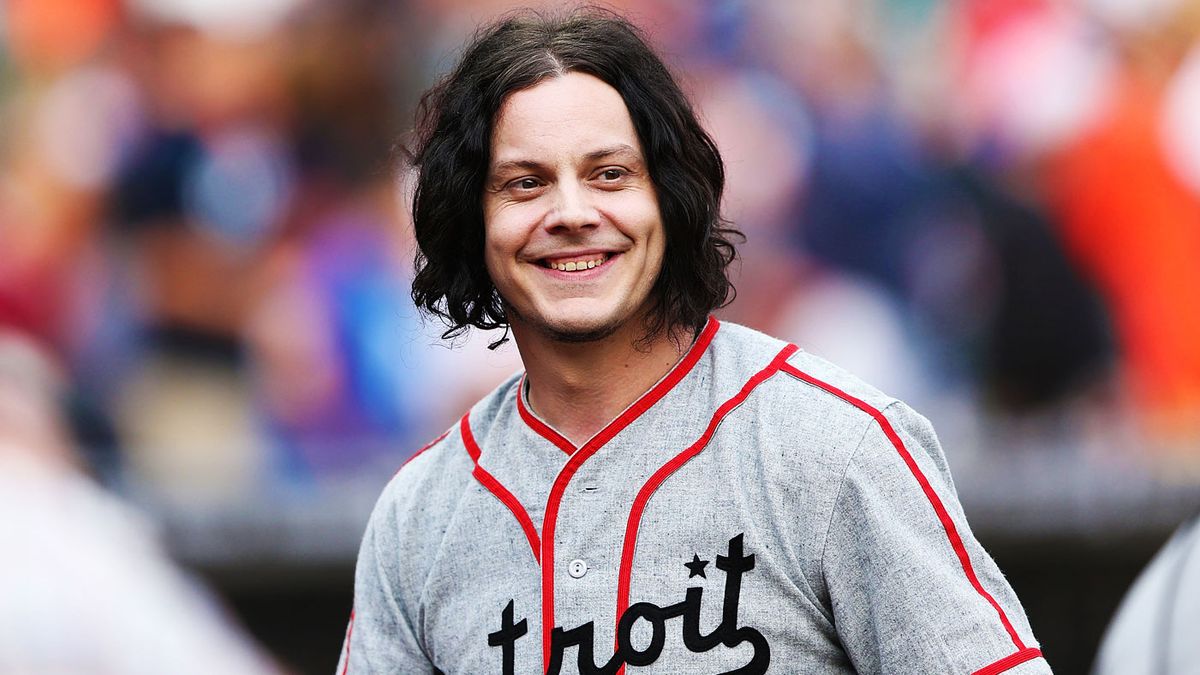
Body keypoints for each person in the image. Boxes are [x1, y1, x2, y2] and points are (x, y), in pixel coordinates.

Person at [337, 9, 1050, 674]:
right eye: (525, 184)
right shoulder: (418, 516)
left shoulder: (835, 449)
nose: (572, 213)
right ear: (472, 219)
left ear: (670, 200)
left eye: (609, 174)